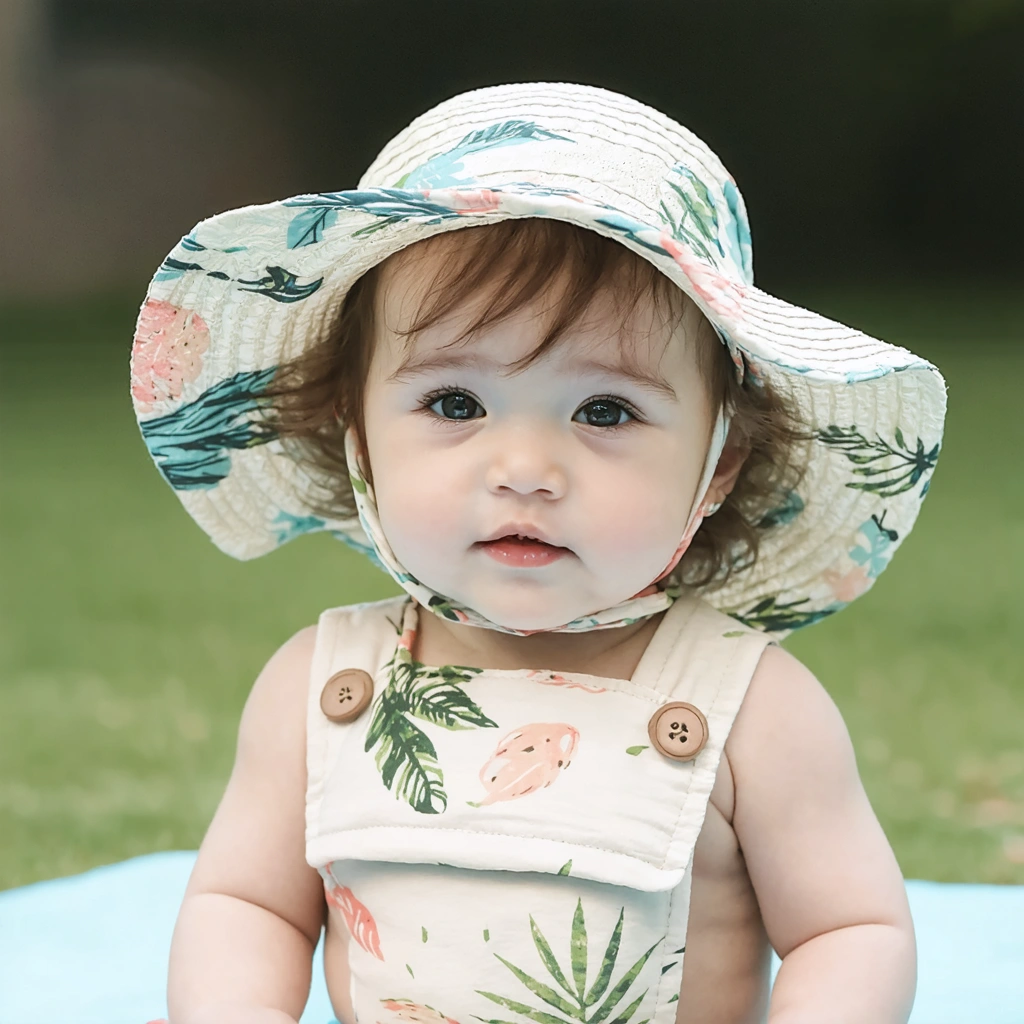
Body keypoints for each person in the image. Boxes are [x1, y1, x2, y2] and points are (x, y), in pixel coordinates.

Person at [130, 82, 947, 1024]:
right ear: (356, 437)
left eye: (604, 411)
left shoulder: (752, 710)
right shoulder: (319, 689)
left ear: (718, 465)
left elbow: (848, 931)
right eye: (455, 404)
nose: (525, 470)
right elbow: (249, 905)